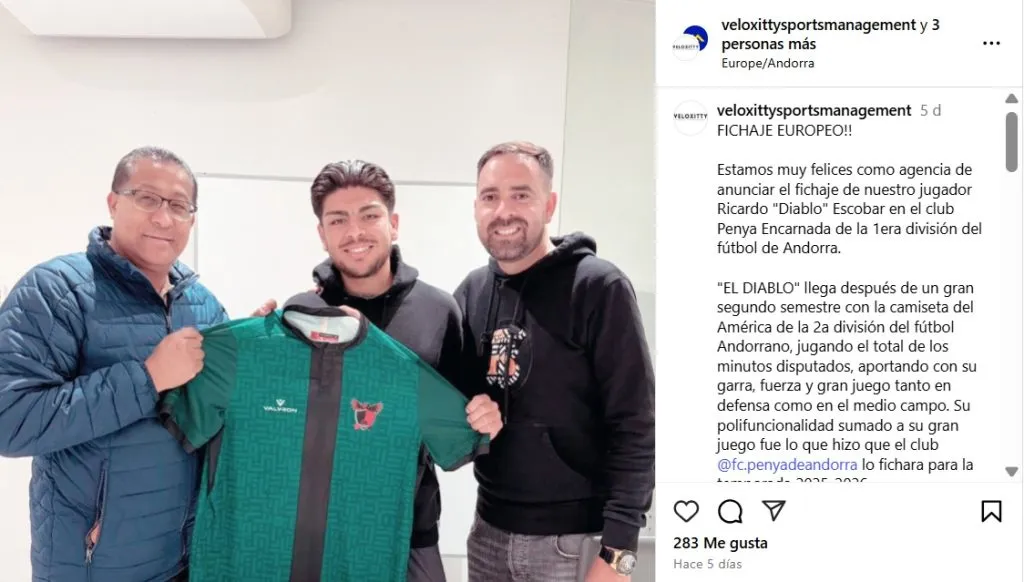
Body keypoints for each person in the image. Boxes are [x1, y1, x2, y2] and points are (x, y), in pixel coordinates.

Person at [0, 147, 269, 582]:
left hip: (182, 562)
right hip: (90, 567)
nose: (163, 218)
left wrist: (249, 351)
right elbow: (10, 421)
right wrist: (148, 378)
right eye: (147, 198)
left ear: (192, 220)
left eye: (179, 205)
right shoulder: (56, 291)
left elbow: (212, 418)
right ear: (113, 203)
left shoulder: (203, 305)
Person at [454, 141, 655, 581]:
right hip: (487, 535)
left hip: (574, 544)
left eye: (521, 194)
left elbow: (636, 424)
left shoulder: (598, 287)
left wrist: (619, 553)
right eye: (490, 196)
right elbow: (445, 394)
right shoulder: (471, 292)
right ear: (476, 208)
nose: (504, 210)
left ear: (549, 204)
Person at [304, 159, 503, 581]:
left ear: (393, 224)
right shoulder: (303, 314)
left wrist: (482, 414)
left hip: (412, 532)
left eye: (369, 215)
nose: (355, 232)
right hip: (317, 531)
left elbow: (461, 418)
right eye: (338, 220)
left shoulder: (438, 310)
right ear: (322, 233)